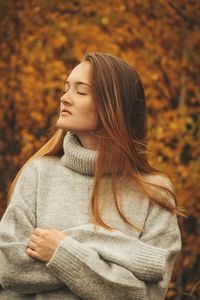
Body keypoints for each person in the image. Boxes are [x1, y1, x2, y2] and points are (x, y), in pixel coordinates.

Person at [0, 52, 184, 299]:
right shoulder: (38, 174)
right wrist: (117, 258)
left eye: (81, 91)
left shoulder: (155, 192)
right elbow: (9, 268)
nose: (65, 98)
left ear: (113, 106)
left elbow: (148, 295)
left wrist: (61, 250)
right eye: (66, 89)